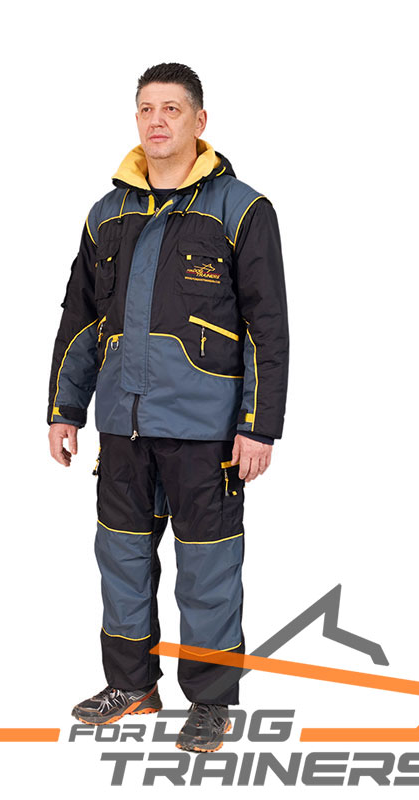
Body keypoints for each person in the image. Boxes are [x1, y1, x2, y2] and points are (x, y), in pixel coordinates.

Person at [46, 62, 289, 753]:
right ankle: (132, 686)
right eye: (147, 109)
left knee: (208, 569)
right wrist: (65, 410)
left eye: (172, 109)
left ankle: (211, 702)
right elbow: (80, 320)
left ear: (199, 121)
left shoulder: (241, 209)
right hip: (122, 427)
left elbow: (268, 327)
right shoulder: (107, 214)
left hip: (206, 432)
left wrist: (258, 426)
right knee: (121, 558)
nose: (157, 121)